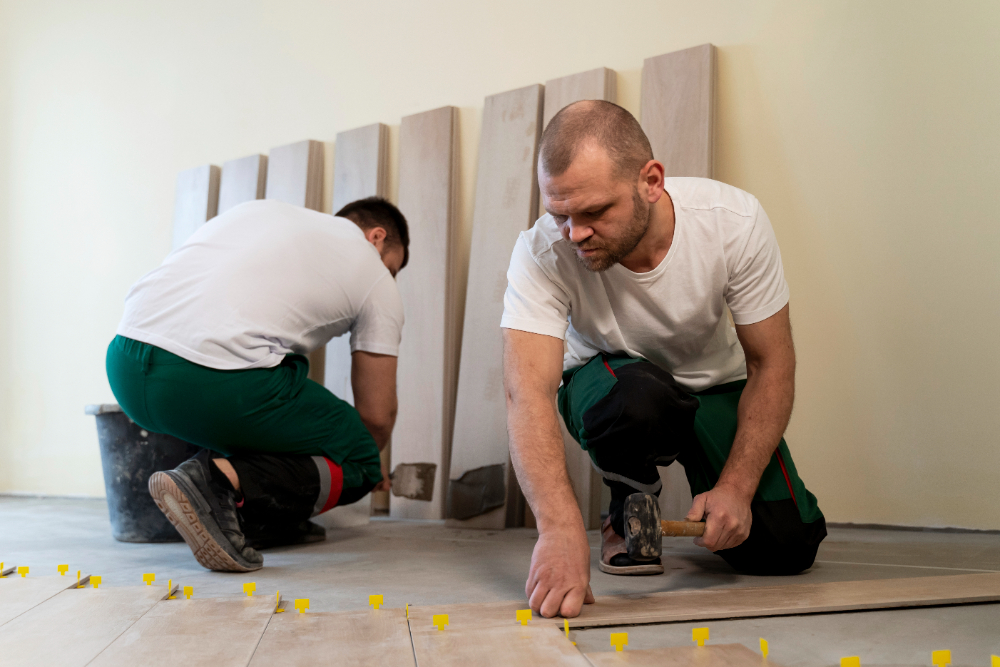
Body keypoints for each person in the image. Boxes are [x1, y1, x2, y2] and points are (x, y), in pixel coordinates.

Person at [501, 100, 826, 618]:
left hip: (714, 386)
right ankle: (627, 503)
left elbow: (772, 364)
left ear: (650, 181)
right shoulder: (542, 253)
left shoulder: (733, 223)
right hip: (613, 382)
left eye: (594, 212)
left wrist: (737, 489)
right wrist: (559, 531)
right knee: (638, 398)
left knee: (785, 545)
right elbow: (528, 391)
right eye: (559, 213)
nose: (573, 233)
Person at [105, 197, 408, 572]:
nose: (389, 276)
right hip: (205, 382)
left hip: (125, 367)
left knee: (285, 367)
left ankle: (240, 509)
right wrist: (355, 467)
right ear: (377, 237)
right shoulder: (375, 276)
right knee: (360, 455)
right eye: (393, 267)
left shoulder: (260, 211)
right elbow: (377, 417)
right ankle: (215, 483)